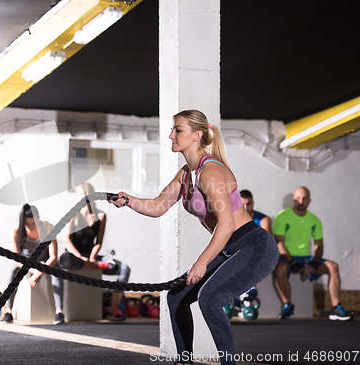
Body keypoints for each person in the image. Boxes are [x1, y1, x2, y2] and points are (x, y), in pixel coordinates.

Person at [110, 110, 278, 365]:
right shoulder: (186, 174)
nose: (171, 135)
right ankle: (184, 360)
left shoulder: (210, 171)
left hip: (254, 245)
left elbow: (227, 224)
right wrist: (129, 200)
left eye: (177, 130)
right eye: (172, 129)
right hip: (231, 246)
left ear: (196, 135)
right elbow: (157, 206)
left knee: (210, 298)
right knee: (176, 297)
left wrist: (201, 262)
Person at [273, 186, 350, 321]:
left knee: (333, 266)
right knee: (280, 269)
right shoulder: (282, 217)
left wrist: (314, 261)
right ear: (294, 200)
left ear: (309, 201)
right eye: (298, 198)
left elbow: (318, 245)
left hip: (306, 258)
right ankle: (288, 306)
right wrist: (292, 261)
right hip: (287, 258)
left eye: (304, 198)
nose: (301, 201)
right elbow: (279, 244)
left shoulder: (315, 220)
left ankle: (336, 308)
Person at [60, 182, 131, 321]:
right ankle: (88, 266)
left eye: (87, 193)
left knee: (124, 269)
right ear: (77, 197)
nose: (85, 196)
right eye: (81, 194)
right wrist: (80, 257)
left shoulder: (101, 216)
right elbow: (66, 240)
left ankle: (114, 309)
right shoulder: (73, 215)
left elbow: (98, 242)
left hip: (90, 257)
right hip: (74, 257)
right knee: (65, 260)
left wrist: (92, 258)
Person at [1, 203, 65, 325]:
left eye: (33, 223)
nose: (30, 227)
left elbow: (54, 257)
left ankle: (59, 312)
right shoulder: (15, 229)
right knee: (11, 271)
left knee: (58, 271)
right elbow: (15, 257)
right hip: (24, 261)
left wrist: (39, 272)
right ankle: (8, 312)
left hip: (44, 261)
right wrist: (33, 271)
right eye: (27, 224)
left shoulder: (48, 227)